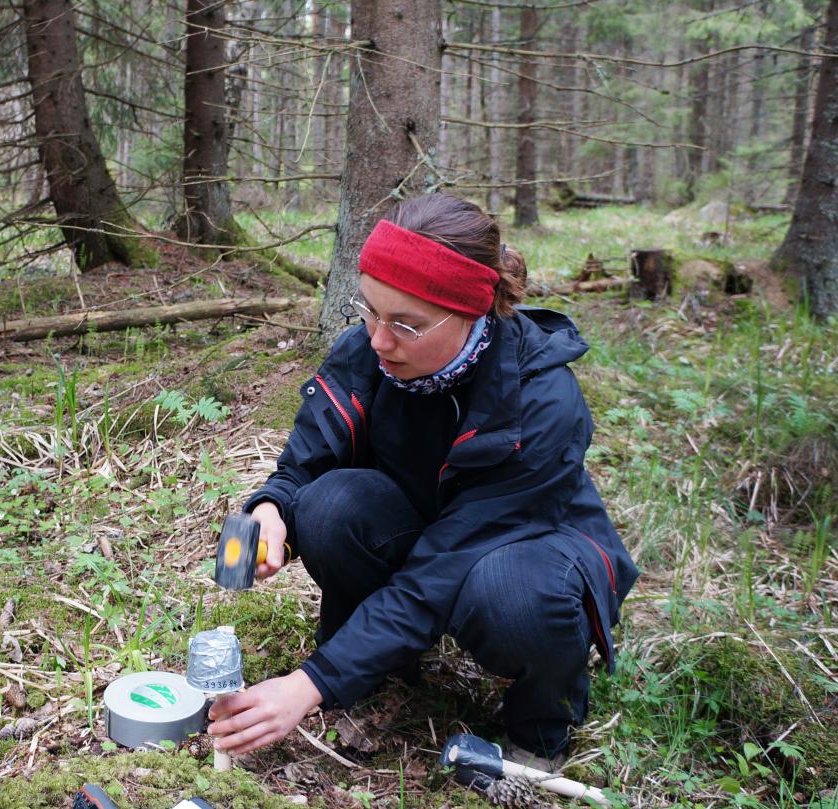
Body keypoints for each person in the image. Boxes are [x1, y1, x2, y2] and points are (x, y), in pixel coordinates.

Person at [206, 193, 638, 769]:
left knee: (513, 596)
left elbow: (444, 566)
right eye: (370, 311)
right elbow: (305, 463)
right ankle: (381, 668)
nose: (379, 339)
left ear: (470, 312)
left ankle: (541, 726)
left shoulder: (541, 402)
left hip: (523, 550)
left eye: (405, 324)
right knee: (328, 505)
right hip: (427, 525)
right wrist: (270, 510)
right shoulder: (370, 349)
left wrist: (310, 684)